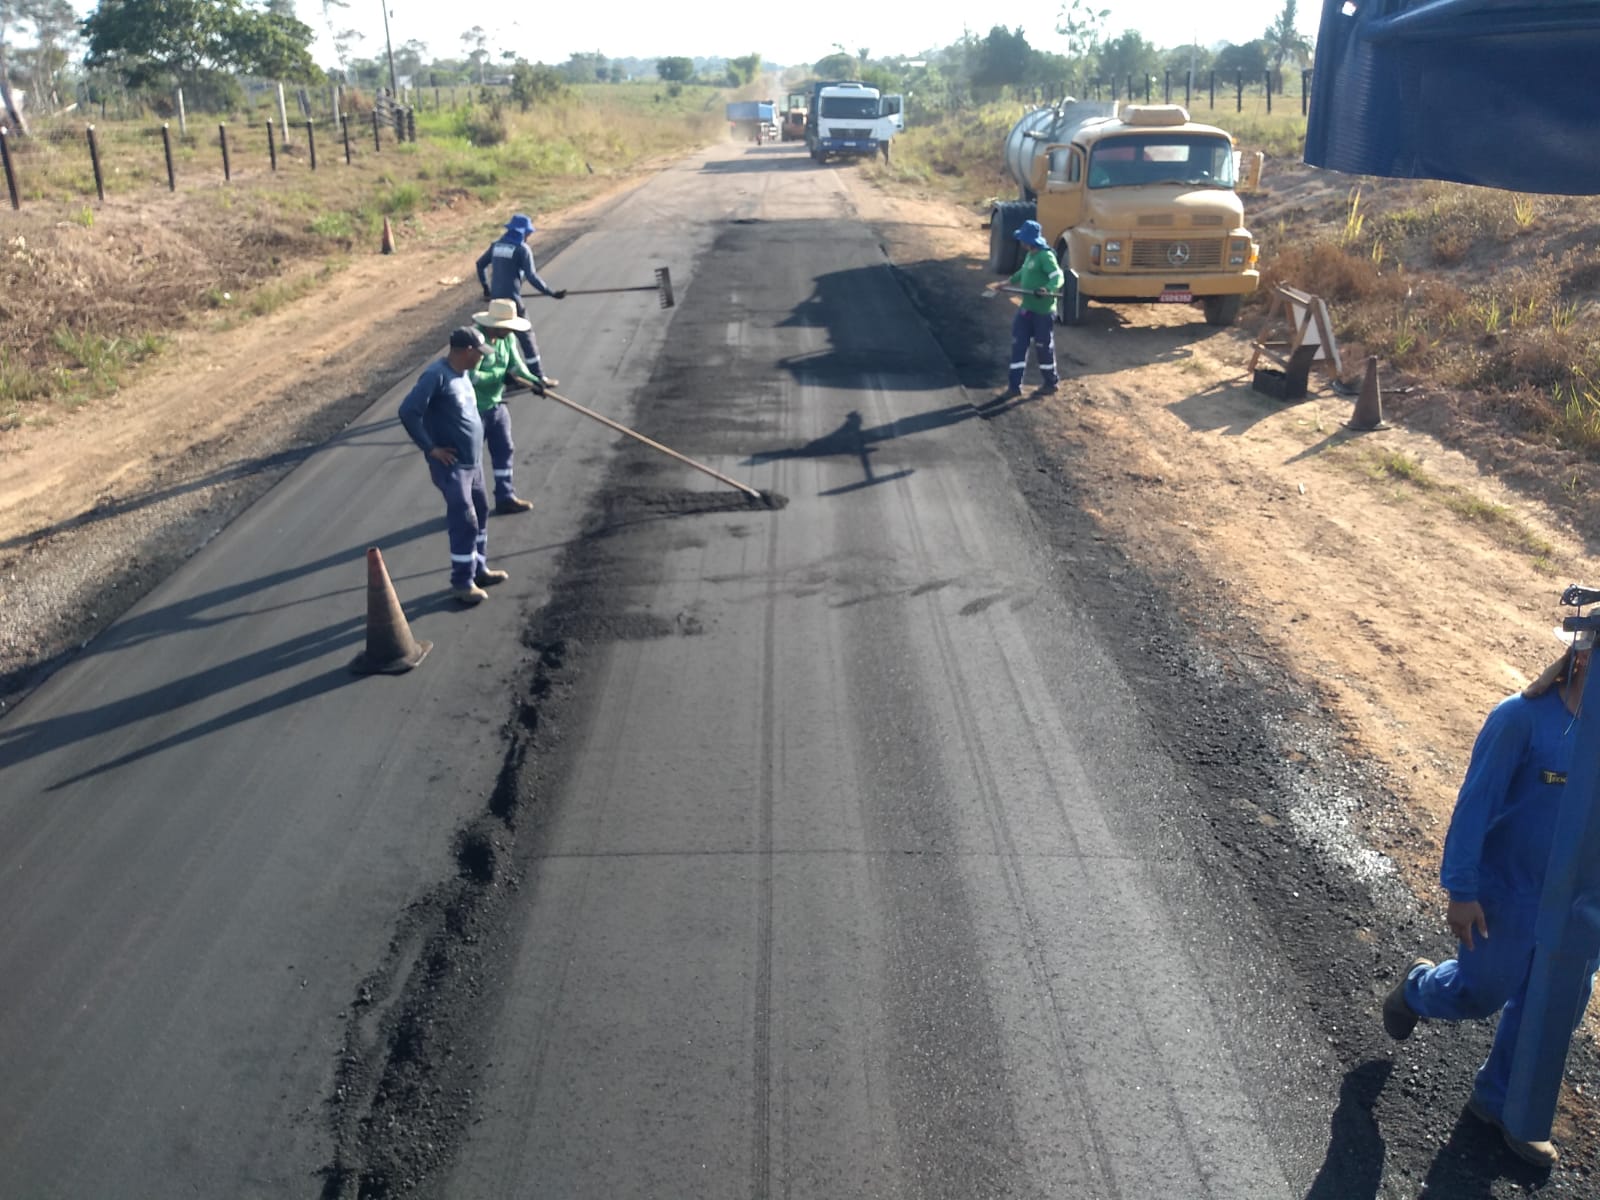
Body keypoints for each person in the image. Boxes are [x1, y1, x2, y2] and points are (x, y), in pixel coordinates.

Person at [1381, 623, 1598, 1167]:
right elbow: (1475, 805)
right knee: (1481, 992)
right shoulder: (1521, 720)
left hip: (1577, 906)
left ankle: (1504, 1104)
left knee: (1551, 1010)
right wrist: (1462, 889)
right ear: (1582, 659)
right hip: (1508, 895)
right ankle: (1418, 988)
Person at [396, 327, 509, 606]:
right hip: (453, 467)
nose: (481, 358)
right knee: (465, 520)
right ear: (466, 351)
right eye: (478, 353)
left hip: (473, 464)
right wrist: (431, 448)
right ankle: (461, 583)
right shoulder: (436, 376)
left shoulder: (464, 373)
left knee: (480, 513)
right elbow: (408, 411)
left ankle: (478, 569)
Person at [470, 297, 545, 516]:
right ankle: (472, 504)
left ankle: (505, 496)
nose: (510, 330)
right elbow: (472, 377)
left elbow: (516, 365)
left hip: (496, 405)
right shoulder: (477, 340)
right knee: (471, 458)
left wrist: (535, 381)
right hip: (473, 410)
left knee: (504, 449)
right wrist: (501, 377)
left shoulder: (506, 338)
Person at [475, 213, 565, 386]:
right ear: (523, 232)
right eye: (528, 233)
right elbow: (532, 277)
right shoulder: (522, 249)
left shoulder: (496, 246)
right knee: (526, 338)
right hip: (512, 303)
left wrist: (486, 288)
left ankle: (504, 374)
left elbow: (480, 265)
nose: (529, 236)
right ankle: (538, 377)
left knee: (500, 337)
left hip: (496, 302)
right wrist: (550, 292)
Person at [984, 219, 1065, 401]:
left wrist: (1048, 289)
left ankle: (1050, 383)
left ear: (1030, 241)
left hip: (1043, 312)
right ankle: (1014, 386)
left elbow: (1058, 276)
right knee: (1018, 344)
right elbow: (1022, 274)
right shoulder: (1030, 256)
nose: (1020, 242)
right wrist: (1006, 283)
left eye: (1022, 239)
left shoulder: (1045, 256)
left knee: (1043, 347)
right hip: (1026, 309)